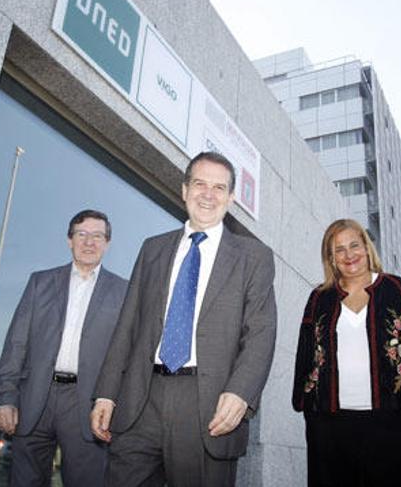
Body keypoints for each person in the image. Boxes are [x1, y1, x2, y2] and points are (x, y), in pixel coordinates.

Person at [90, 152, 277, 486]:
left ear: (231, 198)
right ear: (184, 190)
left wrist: (241, 392)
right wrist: (106, 392)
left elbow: (261, 332)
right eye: (200, 184)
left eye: (219, 187)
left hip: (208, 408)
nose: (208, 194)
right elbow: (128, 326)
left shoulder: (254, 257)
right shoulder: (152, 249)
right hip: (139, 401)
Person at [291, 219, 401, 486]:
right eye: (339, 249)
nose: (349, 255)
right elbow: (305, 352)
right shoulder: (319, 298)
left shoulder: (399, 290)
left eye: (354, 245)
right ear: (331, 258)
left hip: (393, 423)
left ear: (367, 248)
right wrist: (305, 401)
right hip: (329, 425)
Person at [0, 210, 128, 486]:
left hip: (88, 405)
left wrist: (112, 400)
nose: (89, 242)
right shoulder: (39, 282)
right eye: (82, 234)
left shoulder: (124, 291)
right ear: (69, 240)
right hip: (33, 401)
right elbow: (16, 343)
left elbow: (126, 355)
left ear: (107, 243)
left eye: (98, 236)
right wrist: (5, 397)